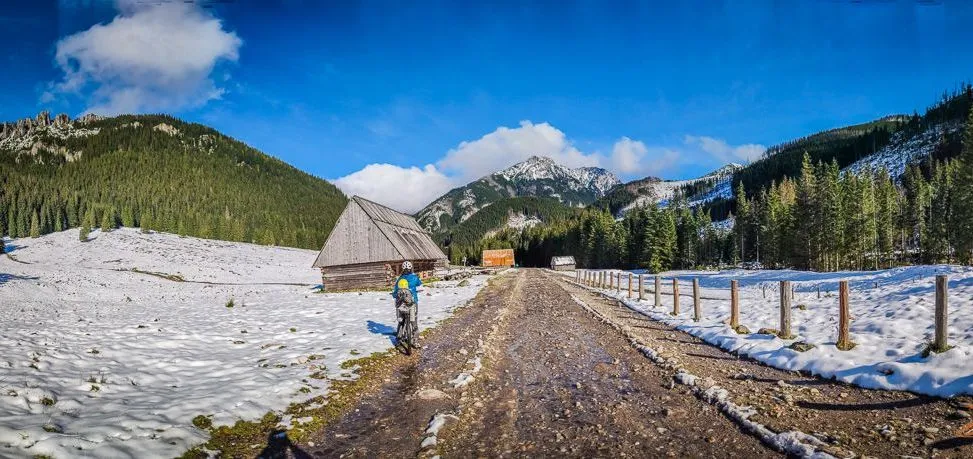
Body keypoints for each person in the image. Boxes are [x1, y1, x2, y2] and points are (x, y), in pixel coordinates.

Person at [391, 260, 422, 346]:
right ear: (411, 268)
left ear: (402, 269)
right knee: (414, 320)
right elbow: (419, 284)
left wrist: (394, 295)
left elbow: (395, 292)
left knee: (401, 321)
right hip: (413, 302)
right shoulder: (415, 277)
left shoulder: (400, 279)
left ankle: (399, 338)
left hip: (401, 303)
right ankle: (415, 341)